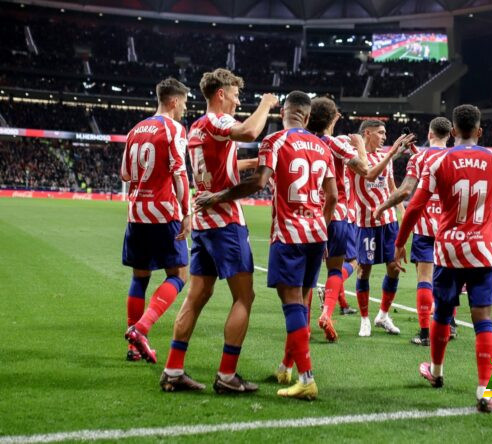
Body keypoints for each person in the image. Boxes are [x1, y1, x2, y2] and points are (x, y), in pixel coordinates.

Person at [195, 91, 338, 401]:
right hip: (317, 234)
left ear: (282, 113)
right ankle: (287, 367)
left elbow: (259, 183)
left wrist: (218, 196)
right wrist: (323, 229)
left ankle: (306, 378)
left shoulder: (275, 142)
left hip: (289, 235)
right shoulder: (322, 147)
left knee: (292, 305)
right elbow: (334, 197)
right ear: (308, 116)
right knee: (301, 301)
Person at [392, 104, 492, 413]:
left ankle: (435, 373)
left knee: (442, 314)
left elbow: (413, 207)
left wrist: (399, 244)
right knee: (483, 318)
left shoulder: (438, 162)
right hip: (483, 250)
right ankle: (483, 392)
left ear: (452, 131)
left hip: (448, 249)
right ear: (479, 130)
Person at [159, 69, 279, 393]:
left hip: (202, 222)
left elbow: (217, 165)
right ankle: (227, 376)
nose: (239, 100)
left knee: (197, 295)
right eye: (236, 94)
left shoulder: (196, 128)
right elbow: (251, 130)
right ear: (220, 95)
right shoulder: (218, 121)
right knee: (245, 296)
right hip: (224, 221)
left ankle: (172, 370)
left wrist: (253, 164)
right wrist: (267, 104)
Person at [121, 77, 191, 363]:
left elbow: (125, 174)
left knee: (140, 277)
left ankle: (132, 346)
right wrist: (187, 213)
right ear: (173, 101)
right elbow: (179, 174)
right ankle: (141, 328)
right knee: (178, 275)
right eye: (185, 102)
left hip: (137, 213)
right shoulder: (174, 129)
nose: (186, 108)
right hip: (164, 214)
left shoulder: (135, 129)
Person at [374, 117, 452, 346]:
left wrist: (382, 206)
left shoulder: (420, 158)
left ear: (429, 134)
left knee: (425, 280)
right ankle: (450, 326)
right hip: (451, 229)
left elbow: (405, 191)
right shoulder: (456, 158)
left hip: (426, 228)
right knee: (448, 281)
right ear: (449, 134)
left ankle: (425, 333)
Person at [306, 97, 369, 342]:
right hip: (338, 215)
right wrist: (361, 145)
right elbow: (363, 168)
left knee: (308, 274)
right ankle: (327, 313)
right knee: (337, 267)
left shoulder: (301, 141)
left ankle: (305, 329)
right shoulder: (335, 144)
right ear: (334, 118)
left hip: (310, 215)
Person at [352, 120, 415, 337]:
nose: (384, 136)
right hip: (366, 223)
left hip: (388, 222)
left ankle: (383, 315)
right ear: (367, 133)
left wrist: (404, 212)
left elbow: (392, 188)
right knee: (364, 270)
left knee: (394, 267)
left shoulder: (384, 157)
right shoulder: (354, 158)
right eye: (381, 133)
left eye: (385, 133)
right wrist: (392, 153)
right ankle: (364, 319)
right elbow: (368, 174)